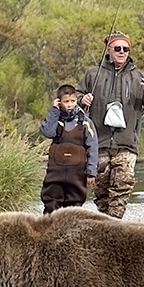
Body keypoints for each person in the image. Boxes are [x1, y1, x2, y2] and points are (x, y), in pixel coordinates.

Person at [76, 31, 144, 218]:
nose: (122, 52)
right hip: (99, 142)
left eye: (126, 49)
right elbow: (74, 97)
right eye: (117, 48)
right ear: (108, 50)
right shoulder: (93, 74)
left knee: (121, 187)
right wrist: (82, 99)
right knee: (101, 192)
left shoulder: (138, 76)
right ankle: (107, 226)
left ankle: (116, 225)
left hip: (126, 142)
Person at [39, 84, 98, 214]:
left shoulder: (86, 122)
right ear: (60, 102)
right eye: (66, 102)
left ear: (76, 100)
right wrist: (54, 110)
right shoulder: (56, 118)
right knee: (51, 200)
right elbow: (47, 132)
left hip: (77, 172)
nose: (70, 105)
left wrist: (91, 171)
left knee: (75, 203)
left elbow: (93, 147)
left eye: (72, 101)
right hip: (56, 171)